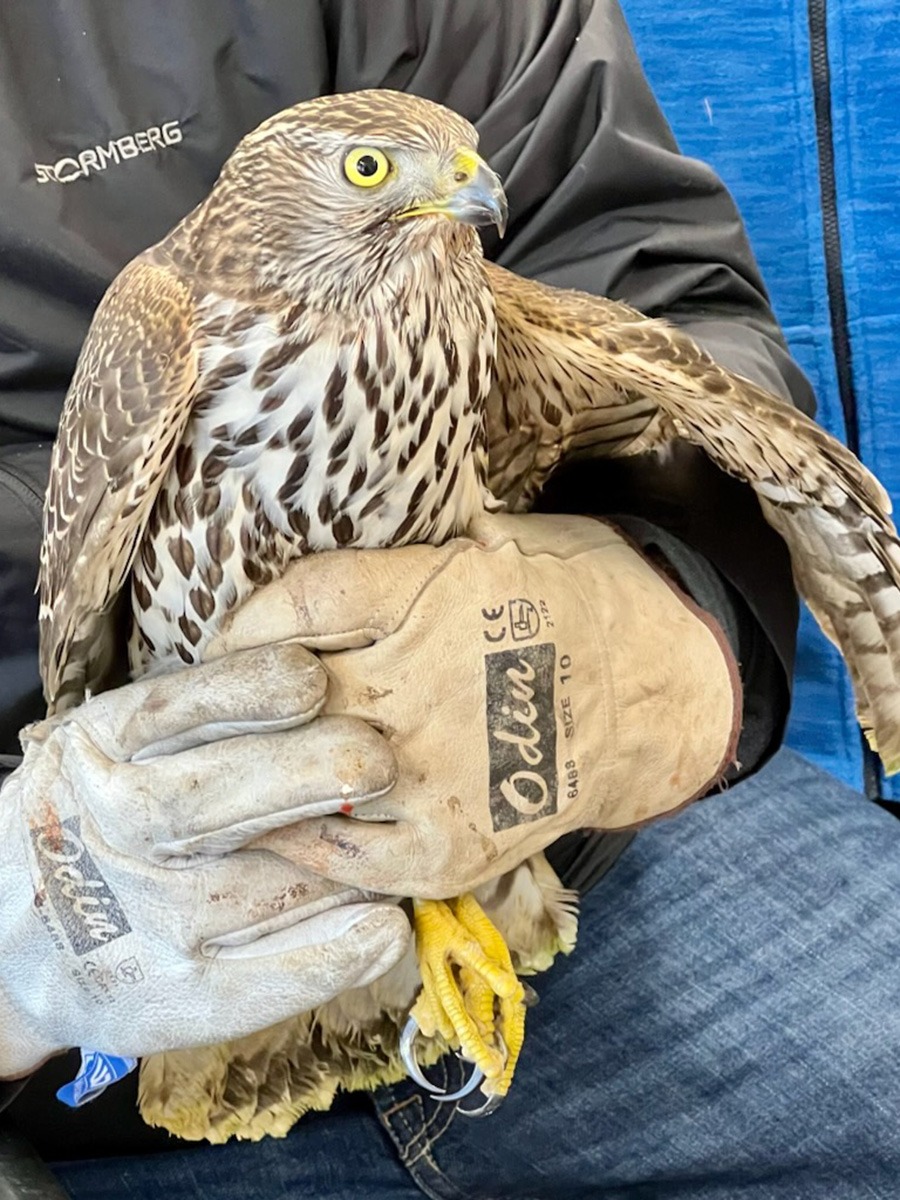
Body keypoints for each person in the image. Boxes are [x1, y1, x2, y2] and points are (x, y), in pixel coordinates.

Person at [2, 1, 899, 1197]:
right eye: (373, 170)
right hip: (91, 1020)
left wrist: (655, 635)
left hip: (561, 840)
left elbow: (647, 281)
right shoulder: (162, 334)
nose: (458, 189)